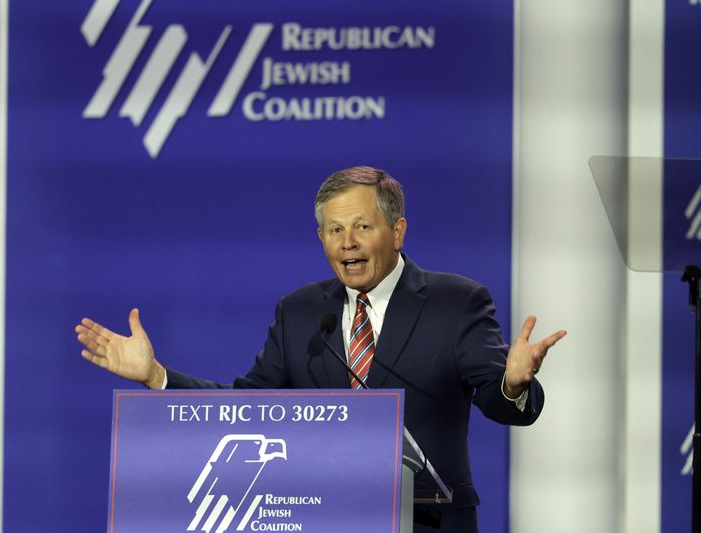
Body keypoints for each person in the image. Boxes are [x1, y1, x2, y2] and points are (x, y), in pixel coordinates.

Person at [76, 166, 566, 532]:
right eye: (334, 231)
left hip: (427, 522)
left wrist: (513, 382)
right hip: (326, 517)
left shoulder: (455, 301)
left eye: (361, 227)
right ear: (320, 238)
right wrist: (157, 376)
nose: (347, 243)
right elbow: (248, 408)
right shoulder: (302, 311)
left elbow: (501, 403)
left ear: (397, 231)